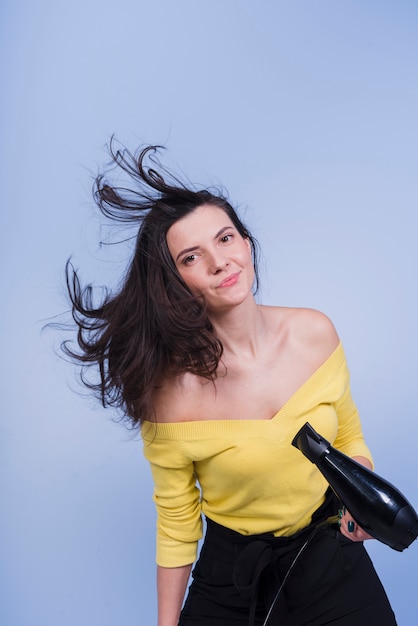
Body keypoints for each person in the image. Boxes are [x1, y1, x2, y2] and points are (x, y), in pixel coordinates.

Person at [64, 141, 397, 626]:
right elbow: (177, 523)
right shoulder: (170, 396)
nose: (220, 262)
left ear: (245, 242)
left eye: (225, 239)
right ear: (175, 281)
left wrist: (358, 499)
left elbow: (347, 438)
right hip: (233, 579)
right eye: (191, 257)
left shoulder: (314, 333)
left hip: (331, 560)